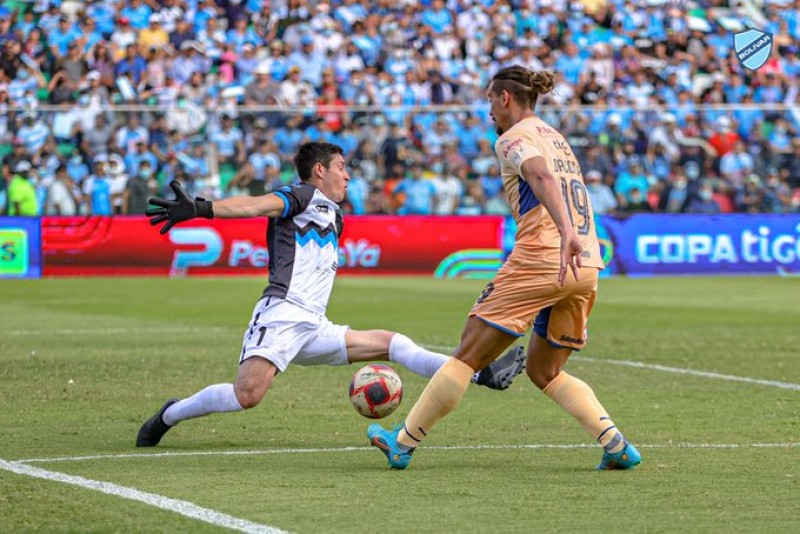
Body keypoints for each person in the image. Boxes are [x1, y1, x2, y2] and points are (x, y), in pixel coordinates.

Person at [137, 142, 525, 447]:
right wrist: (202, 208)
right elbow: (255, 205)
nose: (348, 175)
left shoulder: (333, 213)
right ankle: (170, 415)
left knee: (393, 343)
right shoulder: (301, 194)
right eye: (341, 167)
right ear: (320, 170)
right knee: (247, 395)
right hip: (283, 314)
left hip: (315, 325)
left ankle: (481, 373)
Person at [367, 67, 641, 471]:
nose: (489, 110)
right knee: (545, 371)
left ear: (505, 98)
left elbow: (539, 174)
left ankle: (402, 443)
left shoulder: (513, 137)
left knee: (466, 357)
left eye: (490, 100)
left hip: (545, 256)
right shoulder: (556, 138)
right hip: (586, 263)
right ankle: (616, 444)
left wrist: (566, 232)